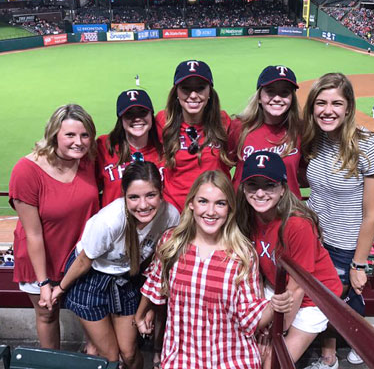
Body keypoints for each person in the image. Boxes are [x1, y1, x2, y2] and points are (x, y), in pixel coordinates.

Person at [134, 170, 293, 369]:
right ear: (191, 204)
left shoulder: (242, 253)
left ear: (229, 209)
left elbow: (249, 318)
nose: (211, 211)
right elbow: (156, 284)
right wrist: (140, 315)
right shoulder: (171, 243)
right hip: (183, 358)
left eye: (220, 203)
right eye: (203, 201)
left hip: (231, 359)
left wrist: (274, 305)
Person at [51, 162, 180, 369]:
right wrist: (61, 288)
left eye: (150, 195)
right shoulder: (109, 221)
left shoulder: (170, 216)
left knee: (129, 353)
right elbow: (84, 261)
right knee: (110, 356)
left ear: (161, 192)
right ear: (124, 196)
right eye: (134, 197)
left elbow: (159, 261)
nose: (143, 205)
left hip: (126, 278)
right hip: (91, 278)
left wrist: (149, 305)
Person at [302, 73, 374, 368]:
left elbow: (372, 214)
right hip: (315, 237)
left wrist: (359, 263)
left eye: (336, 103)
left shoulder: (370, 146)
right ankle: (351, 339)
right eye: (321, 103)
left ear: (349, 107)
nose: (328, 110)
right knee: (325, 299)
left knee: (337, 300)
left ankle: (330, 357)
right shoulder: (316, 139)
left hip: (345, 243)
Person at [236, 151, 342, 367]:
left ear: (283, 189)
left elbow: (298, 289)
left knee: (271, 364)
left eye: (269, 185)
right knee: (251, 355)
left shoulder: (297, 224)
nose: (260, 193)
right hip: (276, 287)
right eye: (252, 184)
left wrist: (275, 330)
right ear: (243, 188)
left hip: (313, 296)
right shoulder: (249, 216)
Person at [8, 104, 99, 349]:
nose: (78, 142)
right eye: (70, 135)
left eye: (85, 135)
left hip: (79, 259)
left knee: (92, 313)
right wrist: (44, 283)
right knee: (47, 313)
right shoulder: (26, 171)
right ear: (54, 134)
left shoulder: (89, 160)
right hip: (41, 261)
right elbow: (33, 234)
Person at [156, 59, 233, 212]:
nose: (193, 95)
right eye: (186, 88)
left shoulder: (224, 123)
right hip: (175, 213)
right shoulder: (163, 122)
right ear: (176, 92)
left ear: (209, 91)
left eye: (200, 88)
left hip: (213, 212)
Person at [230, 65, 302, 198]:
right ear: (259, 97)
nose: (277, 98)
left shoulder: (300, 130)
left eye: (284, 92)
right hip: (244, 210)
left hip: (288, 211)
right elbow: (222, 167)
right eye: (270, 91)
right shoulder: (240, 127)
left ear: (292, 98)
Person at [97, 89, 163, 207]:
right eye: (129, 114)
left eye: (142, 112)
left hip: (156, 223)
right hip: (116, 224)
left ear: (151, 115)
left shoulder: (164, 148)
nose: (137, 118)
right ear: (121, 119)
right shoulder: (104, 146)